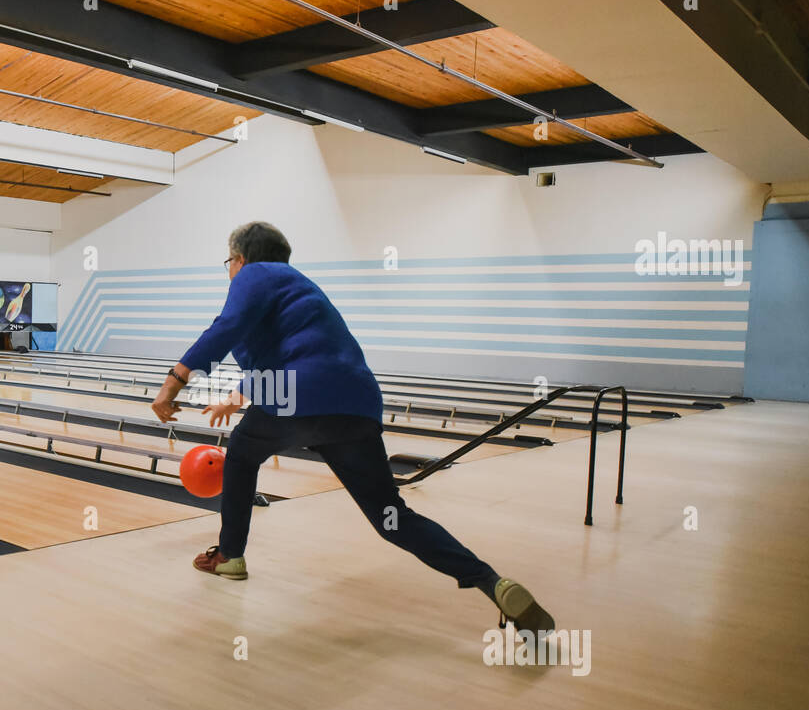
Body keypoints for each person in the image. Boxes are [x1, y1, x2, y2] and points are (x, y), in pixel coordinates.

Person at [152, 222, 554, 638]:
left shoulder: (255, 274)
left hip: (296, 399)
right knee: (390, 516)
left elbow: (225, 329)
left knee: (240, 453)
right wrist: (235, 396)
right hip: (355, 407)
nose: (229, 270)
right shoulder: (299, 289)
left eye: (228, 262)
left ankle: (231, 555)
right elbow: (294, 354)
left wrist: (173, 383)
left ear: (240, 259)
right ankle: (491, 581)